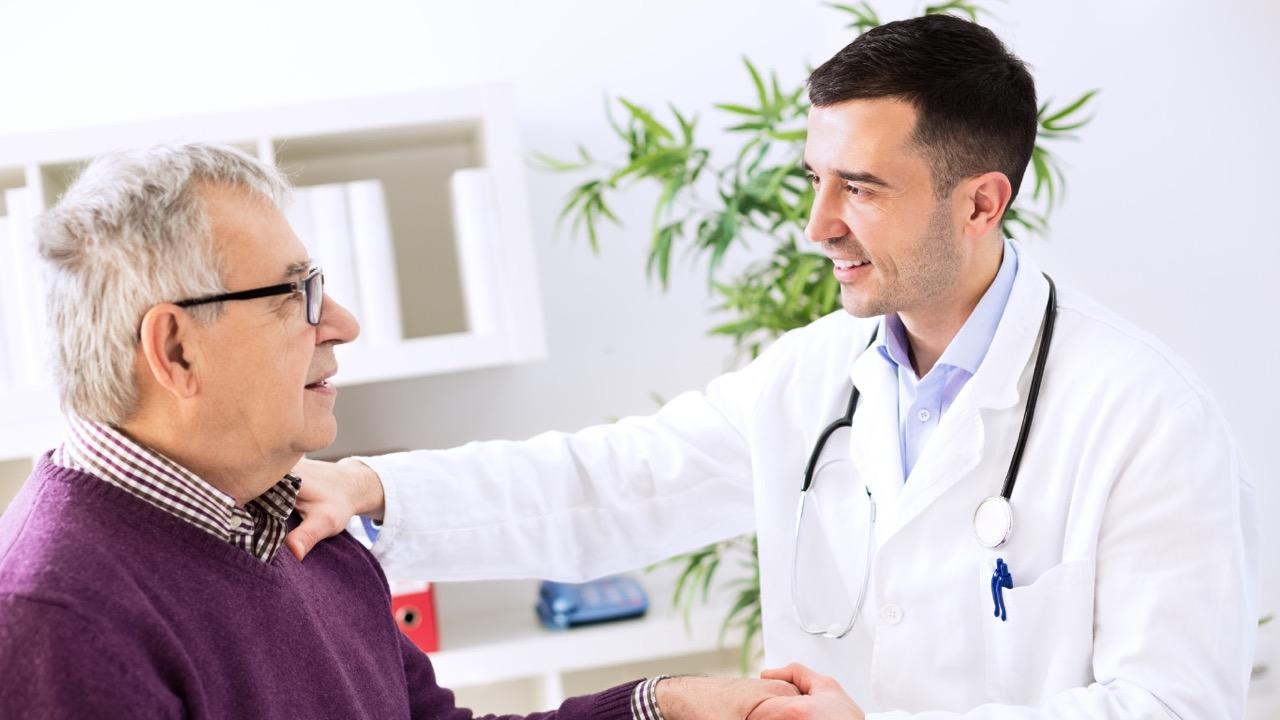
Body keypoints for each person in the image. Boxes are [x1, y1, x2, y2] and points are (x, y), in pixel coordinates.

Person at [287, 15, 1258, 719]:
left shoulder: (1141, 417)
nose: (816, 225)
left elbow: (1171, 705)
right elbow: (611, 483)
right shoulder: (813, 378)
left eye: (862, 188)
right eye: (814, 179)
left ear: (978, 203)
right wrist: (371, 488)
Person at [0, 143, 799, 719]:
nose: (341, 323)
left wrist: (661, 707)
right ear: (175, 348)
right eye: (294, 295)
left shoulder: (293, 523)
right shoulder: (56, 619)